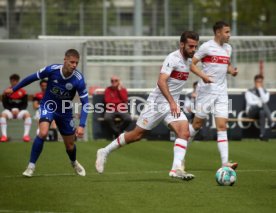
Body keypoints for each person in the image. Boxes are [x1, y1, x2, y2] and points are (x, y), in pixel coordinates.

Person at [96, 31, 201, 180]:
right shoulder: (172, 58)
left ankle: (176, 169)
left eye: (196, 46)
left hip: (172, 104)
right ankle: (104, 151)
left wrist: (204, 77)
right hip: (157, 103)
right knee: (136, 135)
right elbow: (161, 81)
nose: (194, 50)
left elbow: (193, 67)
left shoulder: (188, 60)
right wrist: (172, 102)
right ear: (182, 44)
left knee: (184, 132)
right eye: (191, 46)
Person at [4, 49, 88, 177]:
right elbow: (31, 78)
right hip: (48, 106)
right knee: (42, 133)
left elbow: (85, 103)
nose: (74, 65)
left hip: (65, 111)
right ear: (65, 60)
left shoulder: (79, 79)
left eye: (76, 63)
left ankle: (74, 162)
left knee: (70, 145)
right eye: (72, 62)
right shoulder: (52, 70)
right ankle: (31, 166)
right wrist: (14, 89)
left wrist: (81, 125)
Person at [189, 21, 238, 170]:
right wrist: (203, 76)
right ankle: (181, 150)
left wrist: (231, 70)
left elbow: (226, 65)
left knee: (222, 126)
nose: (229, 35)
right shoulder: (206, 47)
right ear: (218, 32)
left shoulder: (228, 48)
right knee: (197, 125)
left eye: (229, 32)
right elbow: (191, 64)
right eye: (227, 32)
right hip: (206, 91)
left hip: (222, 92)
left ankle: (225, 163)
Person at [0, 74, 32, 142]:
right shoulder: (6, 92)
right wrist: (11, 110)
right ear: (10, 81)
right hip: (9, 111)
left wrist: (18, 110)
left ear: (18, 82)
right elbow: (5, 104)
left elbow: (25, 104)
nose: (14, 83)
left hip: (20, 111)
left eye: (15, 81)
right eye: (12, 81)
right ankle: (4, 136)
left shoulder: (23, 92)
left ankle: (26, 136)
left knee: (27, 115)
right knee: (3, 115)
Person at [245, 74, 275, 141]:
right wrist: (259, 103)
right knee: (262, 104)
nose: (259, 83)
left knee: (262, 112)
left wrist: (260, 89)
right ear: (255, 82)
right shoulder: (249, 91)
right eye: (258, 81)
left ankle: (262, 135)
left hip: (260, 112)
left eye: (260, 81)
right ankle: (271, 123)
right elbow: (250, 102)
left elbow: (265, 100)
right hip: (251, 112)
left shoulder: (265, 91)